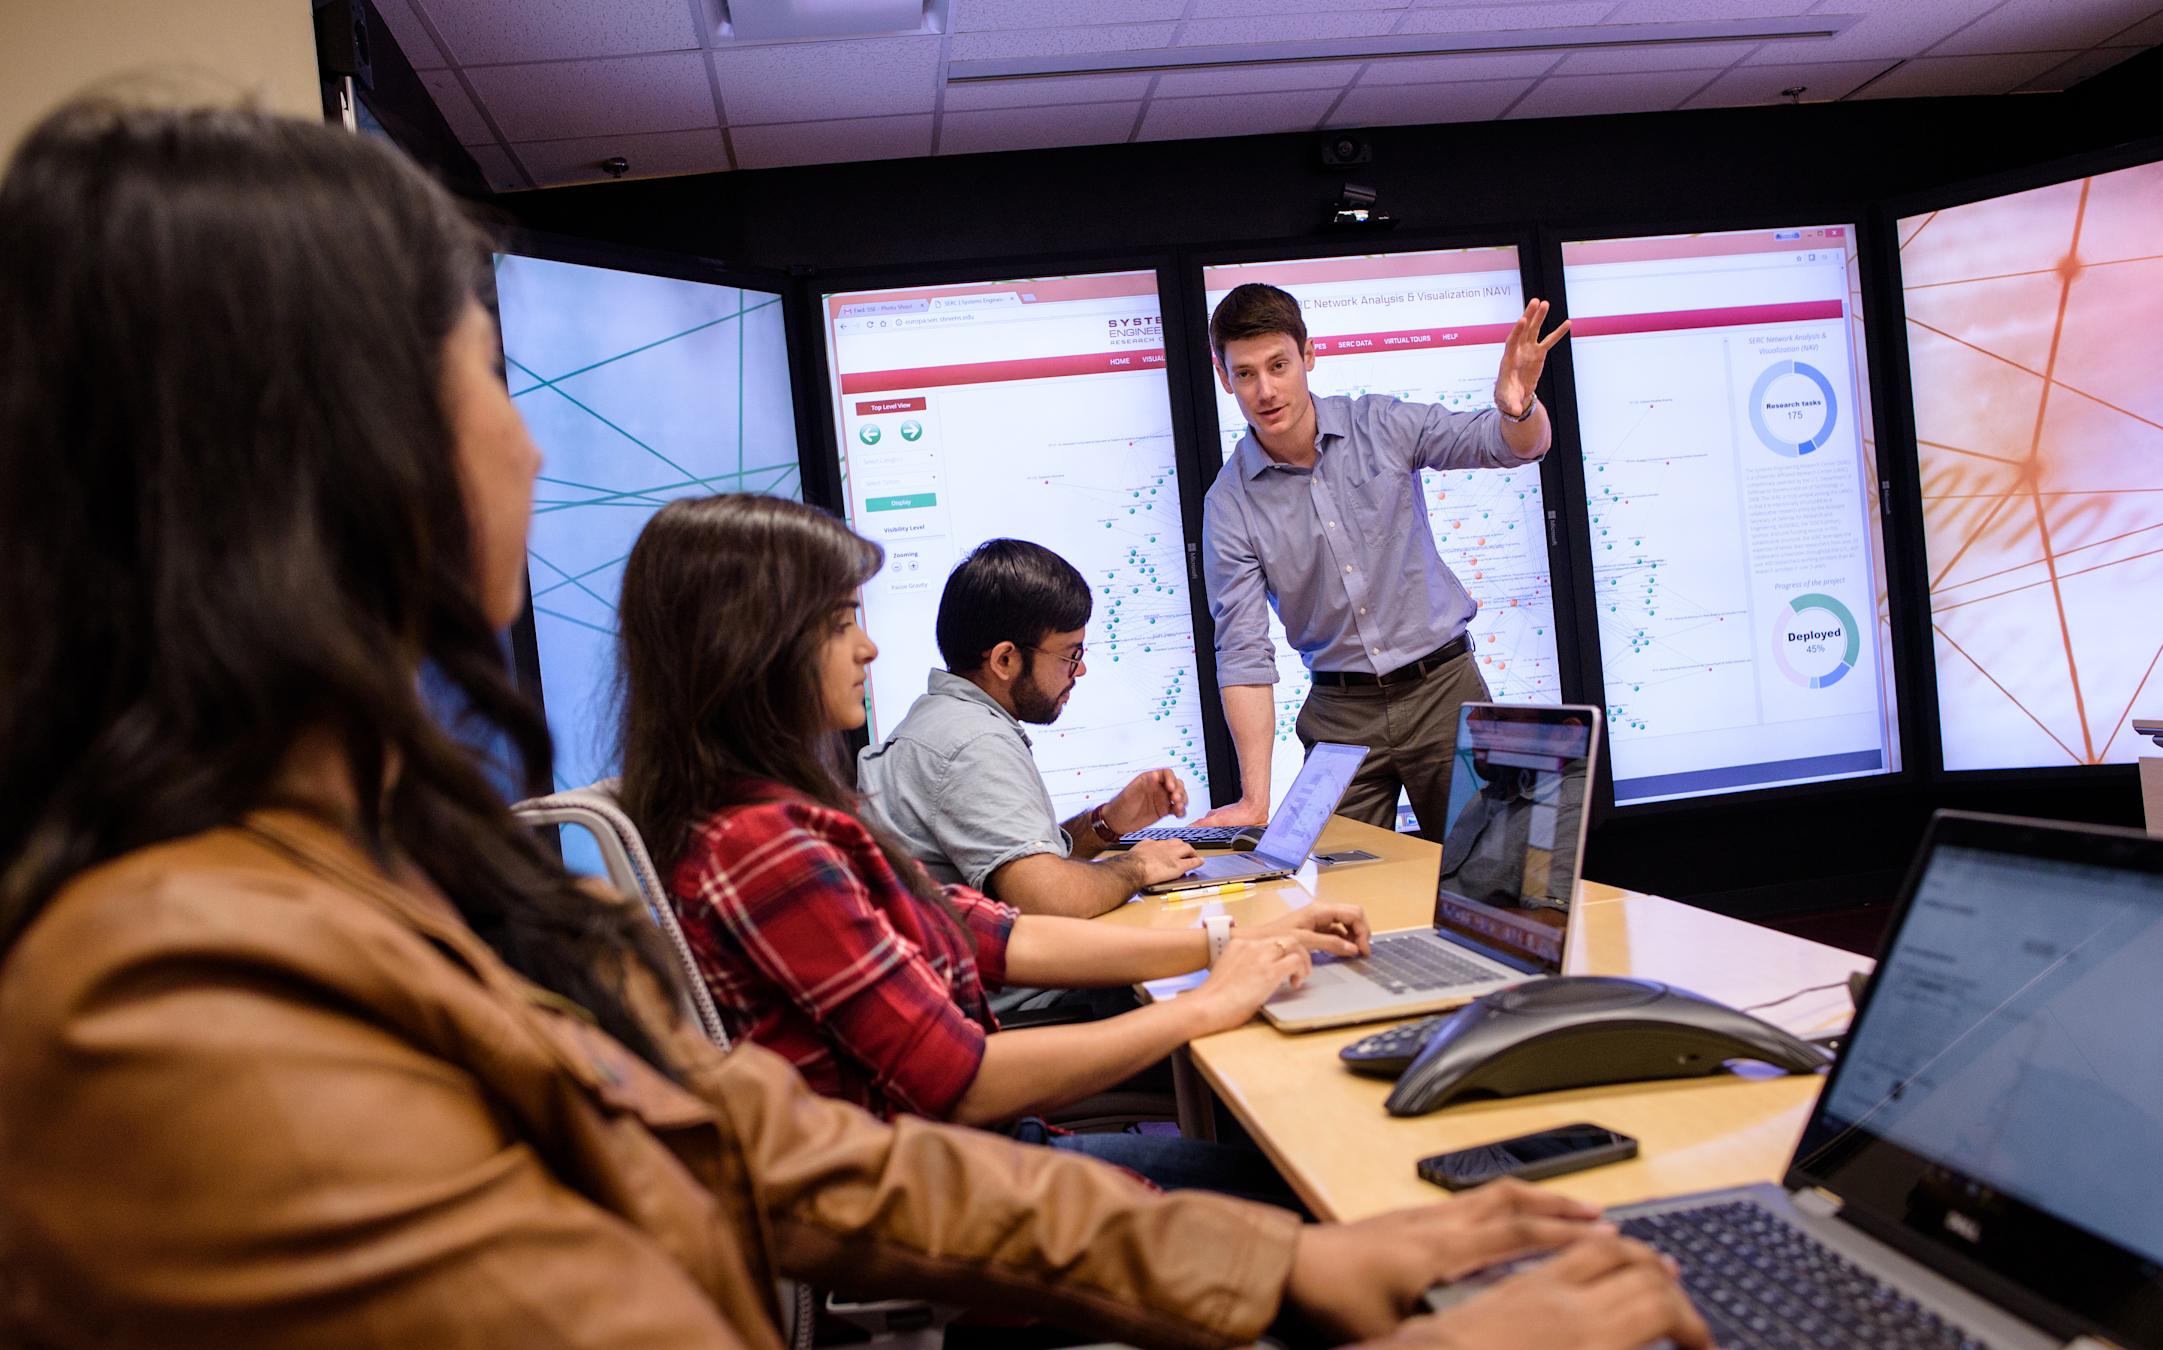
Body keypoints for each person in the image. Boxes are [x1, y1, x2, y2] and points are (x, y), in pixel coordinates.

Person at [0, 98, 1709, 1350]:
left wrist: (1274, 1272)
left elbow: (781, 1152)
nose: (524, 450)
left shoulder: (353, 874)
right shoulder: (174, 1019)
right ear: (317, 459)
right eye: (490, 383)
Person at [617, 494, 1357, 1204]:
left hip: (954, 1154)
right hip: (945, 1184)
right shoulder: (764, 845)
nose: (868, 647)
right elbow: (959, 1077)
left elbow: (992, 934)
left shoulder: (798, 812)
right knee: (1305, 1187)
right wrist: (1206, 1003)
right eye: (840, 622)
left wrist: (1229, 942)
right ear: (755, 648)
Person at [1198, 282, 1572, 832]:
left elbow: (1507, 445)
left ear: (1307, 355)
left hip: (1444, 690)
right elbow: (1243, 654)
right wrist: (1255, 799)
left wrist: (1519, 412)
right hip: (1340, 713)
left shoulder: (1381, 424)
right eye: (1246, 373)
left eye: (1279, 365)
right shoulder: (1228, 504)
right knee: (1332, 893)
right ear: (1224, 377)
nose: (1266, 390)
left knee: (1491, 877)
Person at [859, 538, 1202, 920]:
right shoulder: (974, 744)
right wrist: (1139, 866)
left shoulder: (939, 721)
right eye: (1071, 656)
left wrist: (1108, 822)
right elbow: (1047, 899)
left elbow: (1026, 867)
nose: (1081, 670)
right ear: (1006, 659)